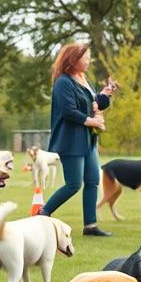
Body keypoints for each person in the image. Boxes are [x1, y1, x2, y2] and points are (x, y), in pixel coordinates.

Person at [41, 42, 116, 236]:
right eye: (86, 58)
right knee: (74, 184)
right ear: (73, 59)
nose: (89, 61)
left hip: (88, 141)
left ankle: (90, 226)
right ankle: (43, 213)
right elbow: (69, 112)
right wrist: (94, 122)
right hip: (71, 141)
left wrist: (104, 95)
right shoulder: (63, 82)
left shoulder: (83, 78)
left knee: (92, 181)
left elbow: (94, 104)